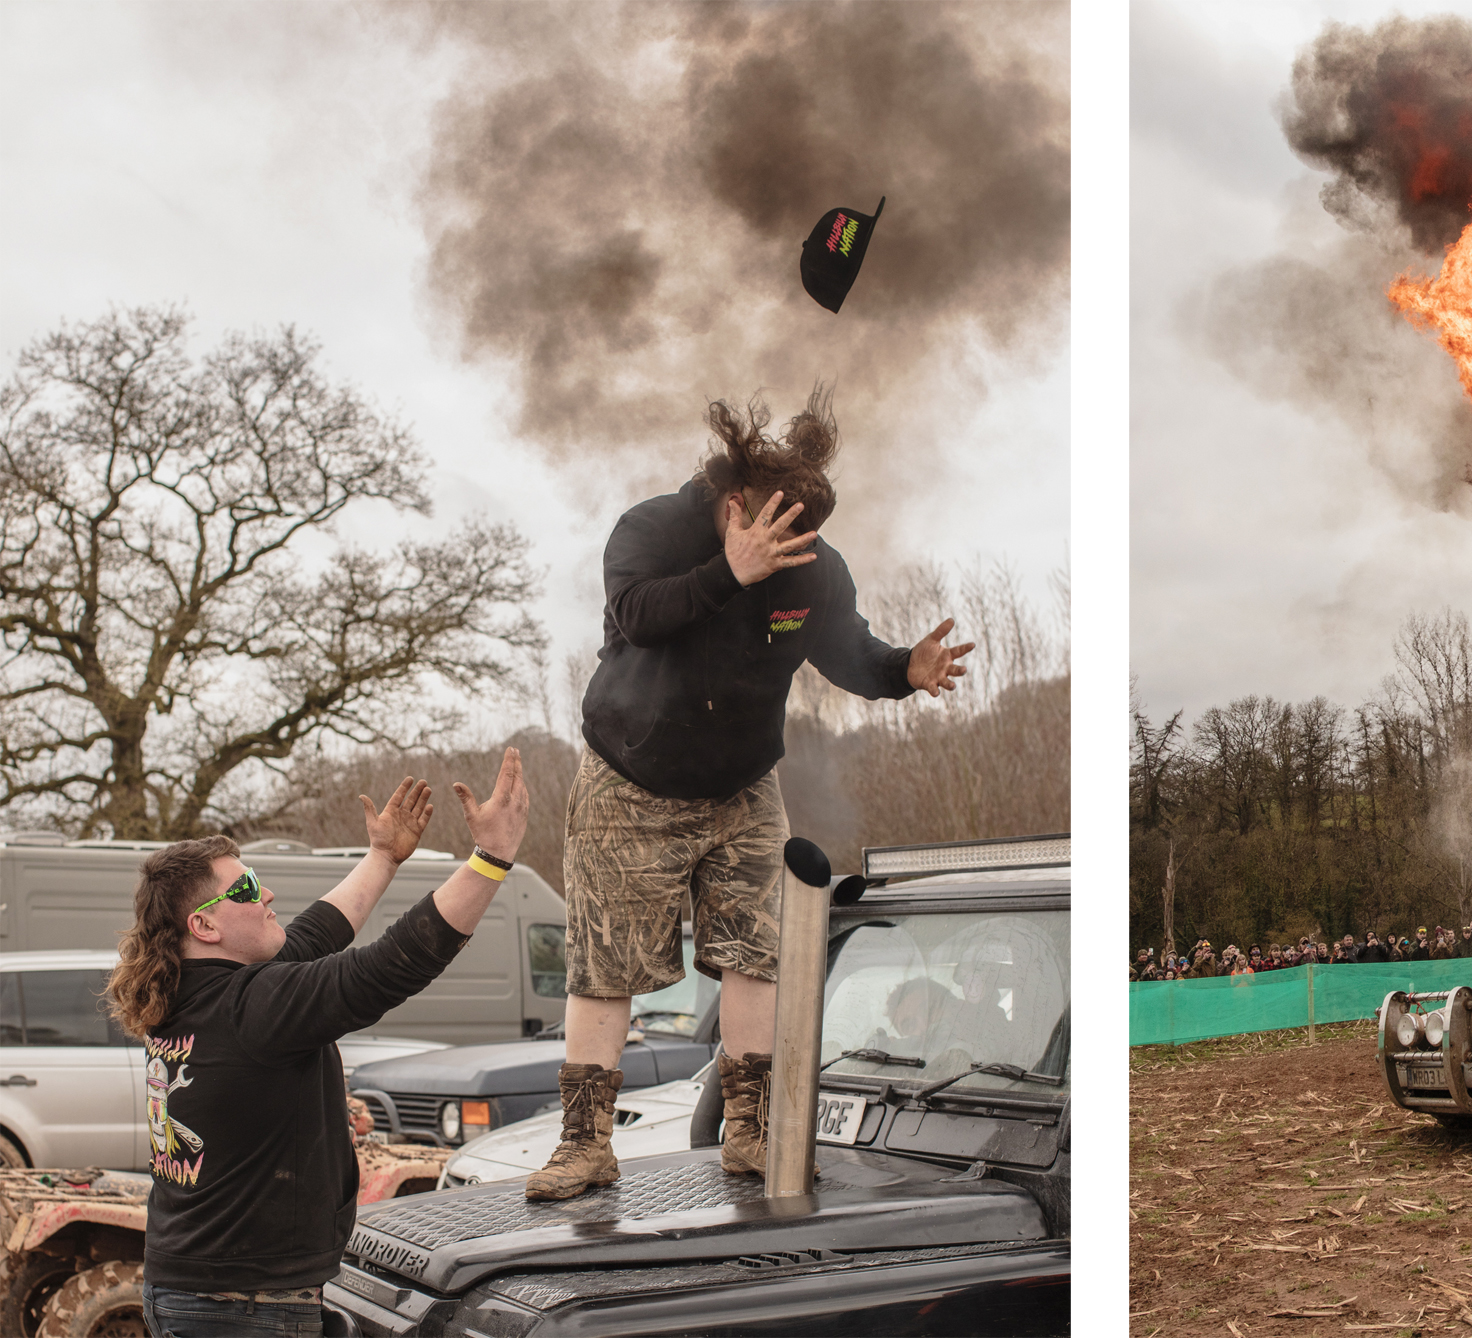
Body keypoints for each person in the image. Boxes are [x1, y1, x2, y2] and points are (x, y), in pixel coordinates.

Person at [532, 393, 973, 1202]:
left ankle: (751, 1130)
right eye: (784, 529)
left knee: (758, 952)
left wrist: (903, 669)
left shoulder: (815, 565)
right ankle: (583, 1144)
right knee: (605, 965)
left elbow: (848, 650)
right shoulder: (652, 531)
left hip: (742, 785)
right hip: (631, 777)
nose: (797, 549)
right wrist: (729, 572)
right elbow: (638, 614)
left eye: (809, 535)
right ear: (737, 503)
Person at [110, 756, 529, 1336]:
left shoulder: (188, 993)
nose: (267, 892)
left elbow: (314, 934)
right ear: (204, 927)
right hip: (242, 1311)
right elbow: (387, 967)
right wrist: (491, 859)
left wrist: (383, 856)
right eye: (247, 888)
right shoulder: (250, 1006)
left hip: (199, 1293)